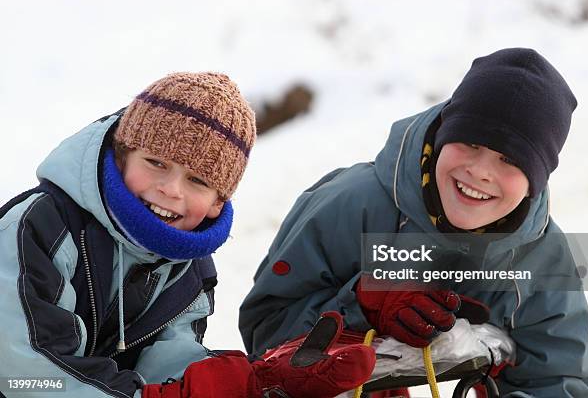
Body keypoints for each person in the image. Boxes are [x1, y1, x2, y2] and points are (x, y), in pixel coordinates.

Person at [239, 48, 588, 396]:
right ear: (443, 132)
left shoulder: (543, 255)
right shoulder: (350, 203)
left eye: (510, 160)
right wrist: (360, 307)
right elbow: (264, 336)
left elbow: (560, 380)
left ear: (537, 179)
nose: (479, 171)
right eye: (470, 144)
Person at [0, 72, 375, 398]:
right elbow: (27, 373)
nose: (171, 189)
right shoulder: (37, 228)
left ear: (217, 202)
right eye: (156, 163)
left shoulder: (189, 270)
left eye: (197, 180)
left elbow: (171, 364)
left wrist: (253, 383)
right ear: (122, 155)